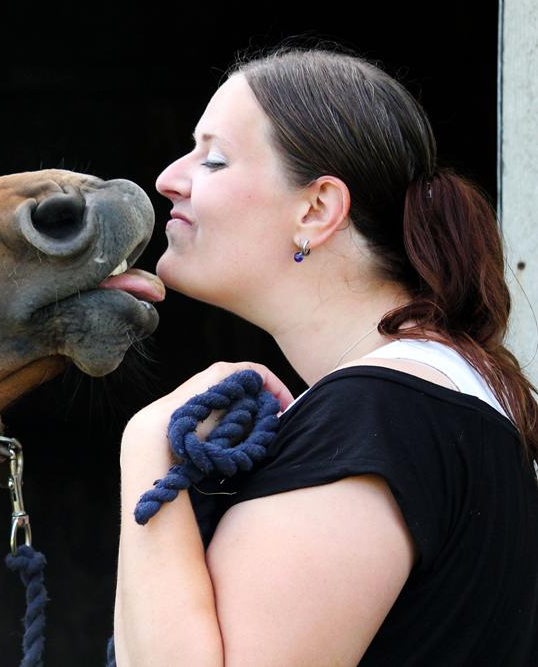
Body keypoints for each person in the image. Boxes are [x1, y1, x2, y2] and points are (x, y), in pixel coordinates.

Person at [112, 47, 538, 666]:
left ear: (316, 210)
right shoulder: (436, 399)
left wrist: (148, 444)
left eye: (215, 159)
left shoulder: (377, 412)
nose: (169, 179)